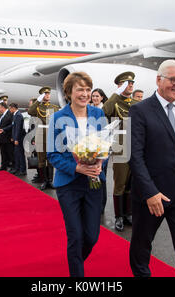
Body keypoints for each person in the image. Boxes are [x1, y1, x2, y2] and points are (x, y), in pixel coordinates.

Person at [128, 59, 175, 277]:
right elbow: (135, 155)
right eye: (174, 80)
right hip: (152, 196)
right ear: (159, 80)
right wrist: (150, 192)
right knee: (142, 246)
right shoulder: (139, 110)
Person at [47, 72, 107, 277]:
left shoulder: (98, 114)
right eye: (80, 89)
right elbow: (52, 155)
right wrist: (76, 168)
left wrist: (100, 161)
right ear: (69, 92)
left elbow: (105, 145)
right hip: (69, 184)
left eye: (88, 90)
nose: (85, 94)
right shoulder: (57, 117)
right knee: (75, 236)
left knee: (91, 236)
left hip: (94, 181)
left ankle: (75, 261)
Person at [102, 71, 140, 231]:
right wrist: (116, 93)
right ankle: (118, 216)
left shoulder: (136, 104)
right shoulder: (115, 102)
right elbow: (104, 111)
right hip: (120, 147)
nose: (131, 85)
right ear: (120, 85)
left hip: (136, 148)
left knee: (131, 183)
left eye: (132, 83)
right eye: (127, 83)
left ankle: (128, 214)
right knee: (120, 183)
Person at [28, 86, 60, 190]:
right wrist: (38, 100)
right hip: (40, 135)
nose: (47, 95)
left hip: (51, 134)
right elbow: (30, 112)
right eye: (45, 94)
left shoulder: (54, 107)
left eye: (48, 94)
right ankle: (44, 181)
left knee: (50, 159)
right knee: (41, 159)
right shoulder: (37, 107)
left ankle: (50, 181)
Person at [90, 88, 109, 214]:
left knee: (101, 177)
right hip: (89, 146)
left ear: (102, 97)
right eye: (93, 96)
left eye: (97, 96)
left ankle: (101, 205)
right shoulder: (89, 109)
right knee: (92, 177)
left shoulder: (105, 110)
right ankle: (94, 203)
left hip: (102, 147)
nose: (95, 98)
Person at [0, 101, 14, 171]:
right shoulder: (1, 115)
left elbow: (12, 125)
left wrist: (4, 130)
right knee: (3, 153)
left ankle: (12, 167)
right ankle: (3, 166)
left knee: (10, 153)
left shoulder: (10, 114)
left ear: (3, 107)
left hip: (8, 137)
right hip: (1, 137)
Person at [9, 103, 27, 176]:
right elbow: (14, 127)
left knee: (20, 154)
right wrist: (13, 137)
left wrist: (16, 139)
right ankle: (17, 168)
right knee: (16, 154)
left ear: (13, 108)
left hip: (19, 139)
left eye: (10, 108)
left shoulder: (18, 115)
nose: (10, 110)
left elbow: (18, 129)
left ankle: (22, 170)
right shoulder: (15, 115)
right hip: (16, 138)